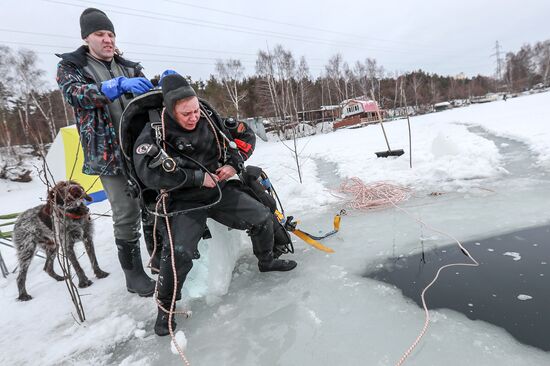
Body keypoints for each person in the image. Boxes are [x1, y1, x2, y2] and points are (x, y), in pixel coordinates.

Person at [133, 73, 297, 336]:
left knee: (262, 216)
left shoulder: (208, 117)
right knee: (179, 253)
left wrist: (233, 165)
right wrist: (197, 178)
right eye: (186, 113)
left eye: (195, 109)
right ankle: (165, 309)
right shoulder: (155, 129)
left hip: (219, 190)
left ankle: (266, 260)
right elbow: (148, 173)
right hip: (183, 199)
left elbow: (237, 141)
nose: (193, 117)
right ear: (171, 110)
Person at [56, 8, 156, 296]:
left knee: (151, 204)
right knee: (126, 212)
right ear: (86, 37)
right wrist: (112, 86)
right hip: (107, 154)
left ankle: (157, 258)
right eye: (100, 34)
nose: (107, 39)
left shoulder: (130, 66)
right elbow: (75, 94)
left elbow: (149, 93)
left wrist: (163, 82)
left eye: (111, 34)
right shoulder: (72, 68)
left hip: (141, 149)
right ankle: (133, 274)